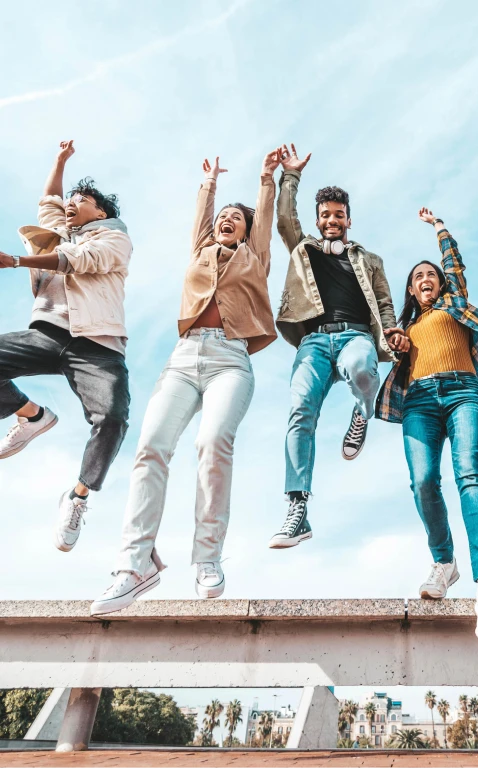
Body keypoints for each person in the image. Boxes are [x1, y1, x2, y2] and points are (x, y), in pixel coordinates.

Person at [90, 150, 281, 615]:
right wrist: (210, 185)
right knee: (150, 448)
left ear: (247, 230)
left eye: (237, 218)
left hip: (230, 360)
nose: (227, 220)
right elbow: (202, 217)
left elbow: (264, 219)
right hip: (183, 358)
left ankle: (207, 556)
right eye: (223, 216)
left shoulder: (255, 256)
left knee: (212, 443)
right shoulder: (200, 250)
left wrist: (266, 179)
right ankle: (134, 565)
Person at [377, 208, 478, 643]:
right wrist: (397, 345)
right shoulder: (406, 328)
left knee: (470, 474)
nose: (426, 279)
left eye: (431, 275)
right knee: (423, 481)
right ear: (410, 288)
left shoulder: (453, 304)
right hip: (419, 401)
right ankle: (444, 562)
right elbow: (390, 349)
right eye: (417, 276)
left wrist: (440, 229)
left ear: (440, 283)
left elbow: (454, 265)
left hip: (462, 392)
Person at [269, 143, 408, 549]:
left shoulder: (370, 260)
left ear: (349, 219)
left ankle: (363, 411)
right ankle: (297, 507)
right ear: (318, 220)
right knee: (300, 410)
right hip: (313, 341)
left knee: (364, 370)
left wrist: (391, 330)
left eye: (338, 215)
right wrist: (290, 176)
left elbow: (384, 302)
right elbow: (284, 219)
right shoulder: (304, 250)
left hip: (355, 336)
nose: (332, 220)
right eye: (326, 215)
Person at [0, 140, 131, 552]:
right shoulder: (59, 230)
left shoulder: (115, 238)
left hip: (98, 344)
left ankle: (77, 497)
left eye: (82, 200)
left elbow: (77, 261)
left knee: (112, 418)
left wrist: (17, 261)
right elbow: (49, 202)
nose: (72, 203)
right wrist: (59, 161)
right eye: (71, 200)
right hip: (48, 332)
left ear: (101, 212)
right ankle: (32, 416)